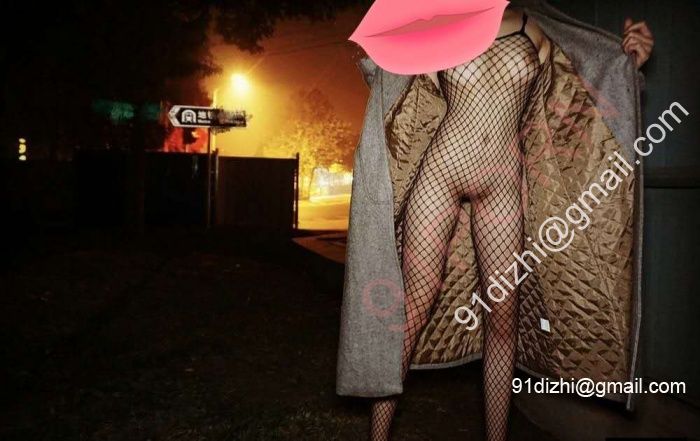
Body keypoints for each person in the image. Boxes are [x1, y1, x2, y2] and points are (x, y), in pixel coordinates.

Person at [337, 2, 654, 441]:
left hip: (502, 185)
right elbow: (392, 76)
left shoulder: (536, 28)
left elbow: (581, 88)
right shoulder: (444, 21)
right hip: (441, 174)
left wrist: (629, 63)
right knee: (409, 313)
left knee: (503, 321)